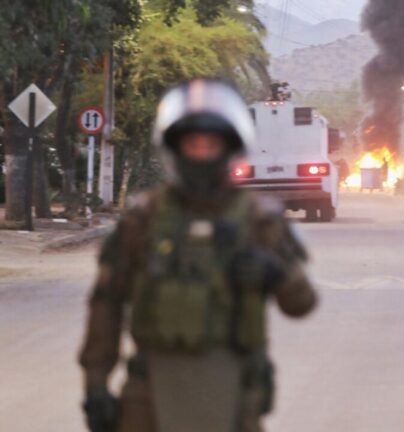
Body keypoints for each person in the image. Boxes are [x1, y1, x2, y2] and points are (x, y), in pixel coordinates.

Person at [78, 79, 317, 432]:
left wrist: (275, 274)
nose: (202, 153)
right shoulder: (142, 221)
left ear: (229, 148)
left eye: (212, 144)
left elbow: (301, 303)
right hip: (149, 392)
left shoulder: (259, 220)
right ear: (176, 149)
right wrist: (95, 386)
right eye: (193, 144)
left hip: (235, 391)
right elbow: (106, 306)